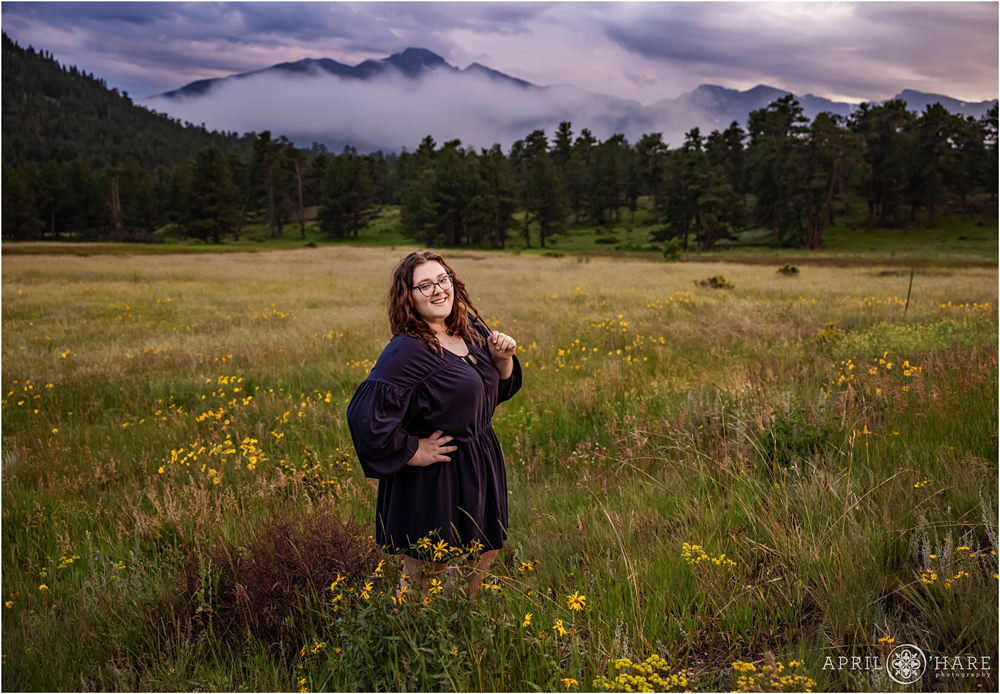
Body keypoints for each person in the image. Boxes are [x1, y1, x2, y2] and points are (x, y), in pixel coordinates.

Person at [346, 250, 522, 599]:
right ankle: (410, 641)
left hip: (479, 459)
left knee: (484, 551)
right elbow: (364, 416)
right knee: (427, 573)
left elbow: (490, 393)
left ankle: (461, 626)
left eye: (442, 280)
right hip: (435, 475)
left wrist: (503, 361)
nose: (438, 290)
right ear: (408, 297)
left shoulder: (470, 329)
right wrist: (413, 450)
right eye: (424, 285)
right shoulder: (408, 350)